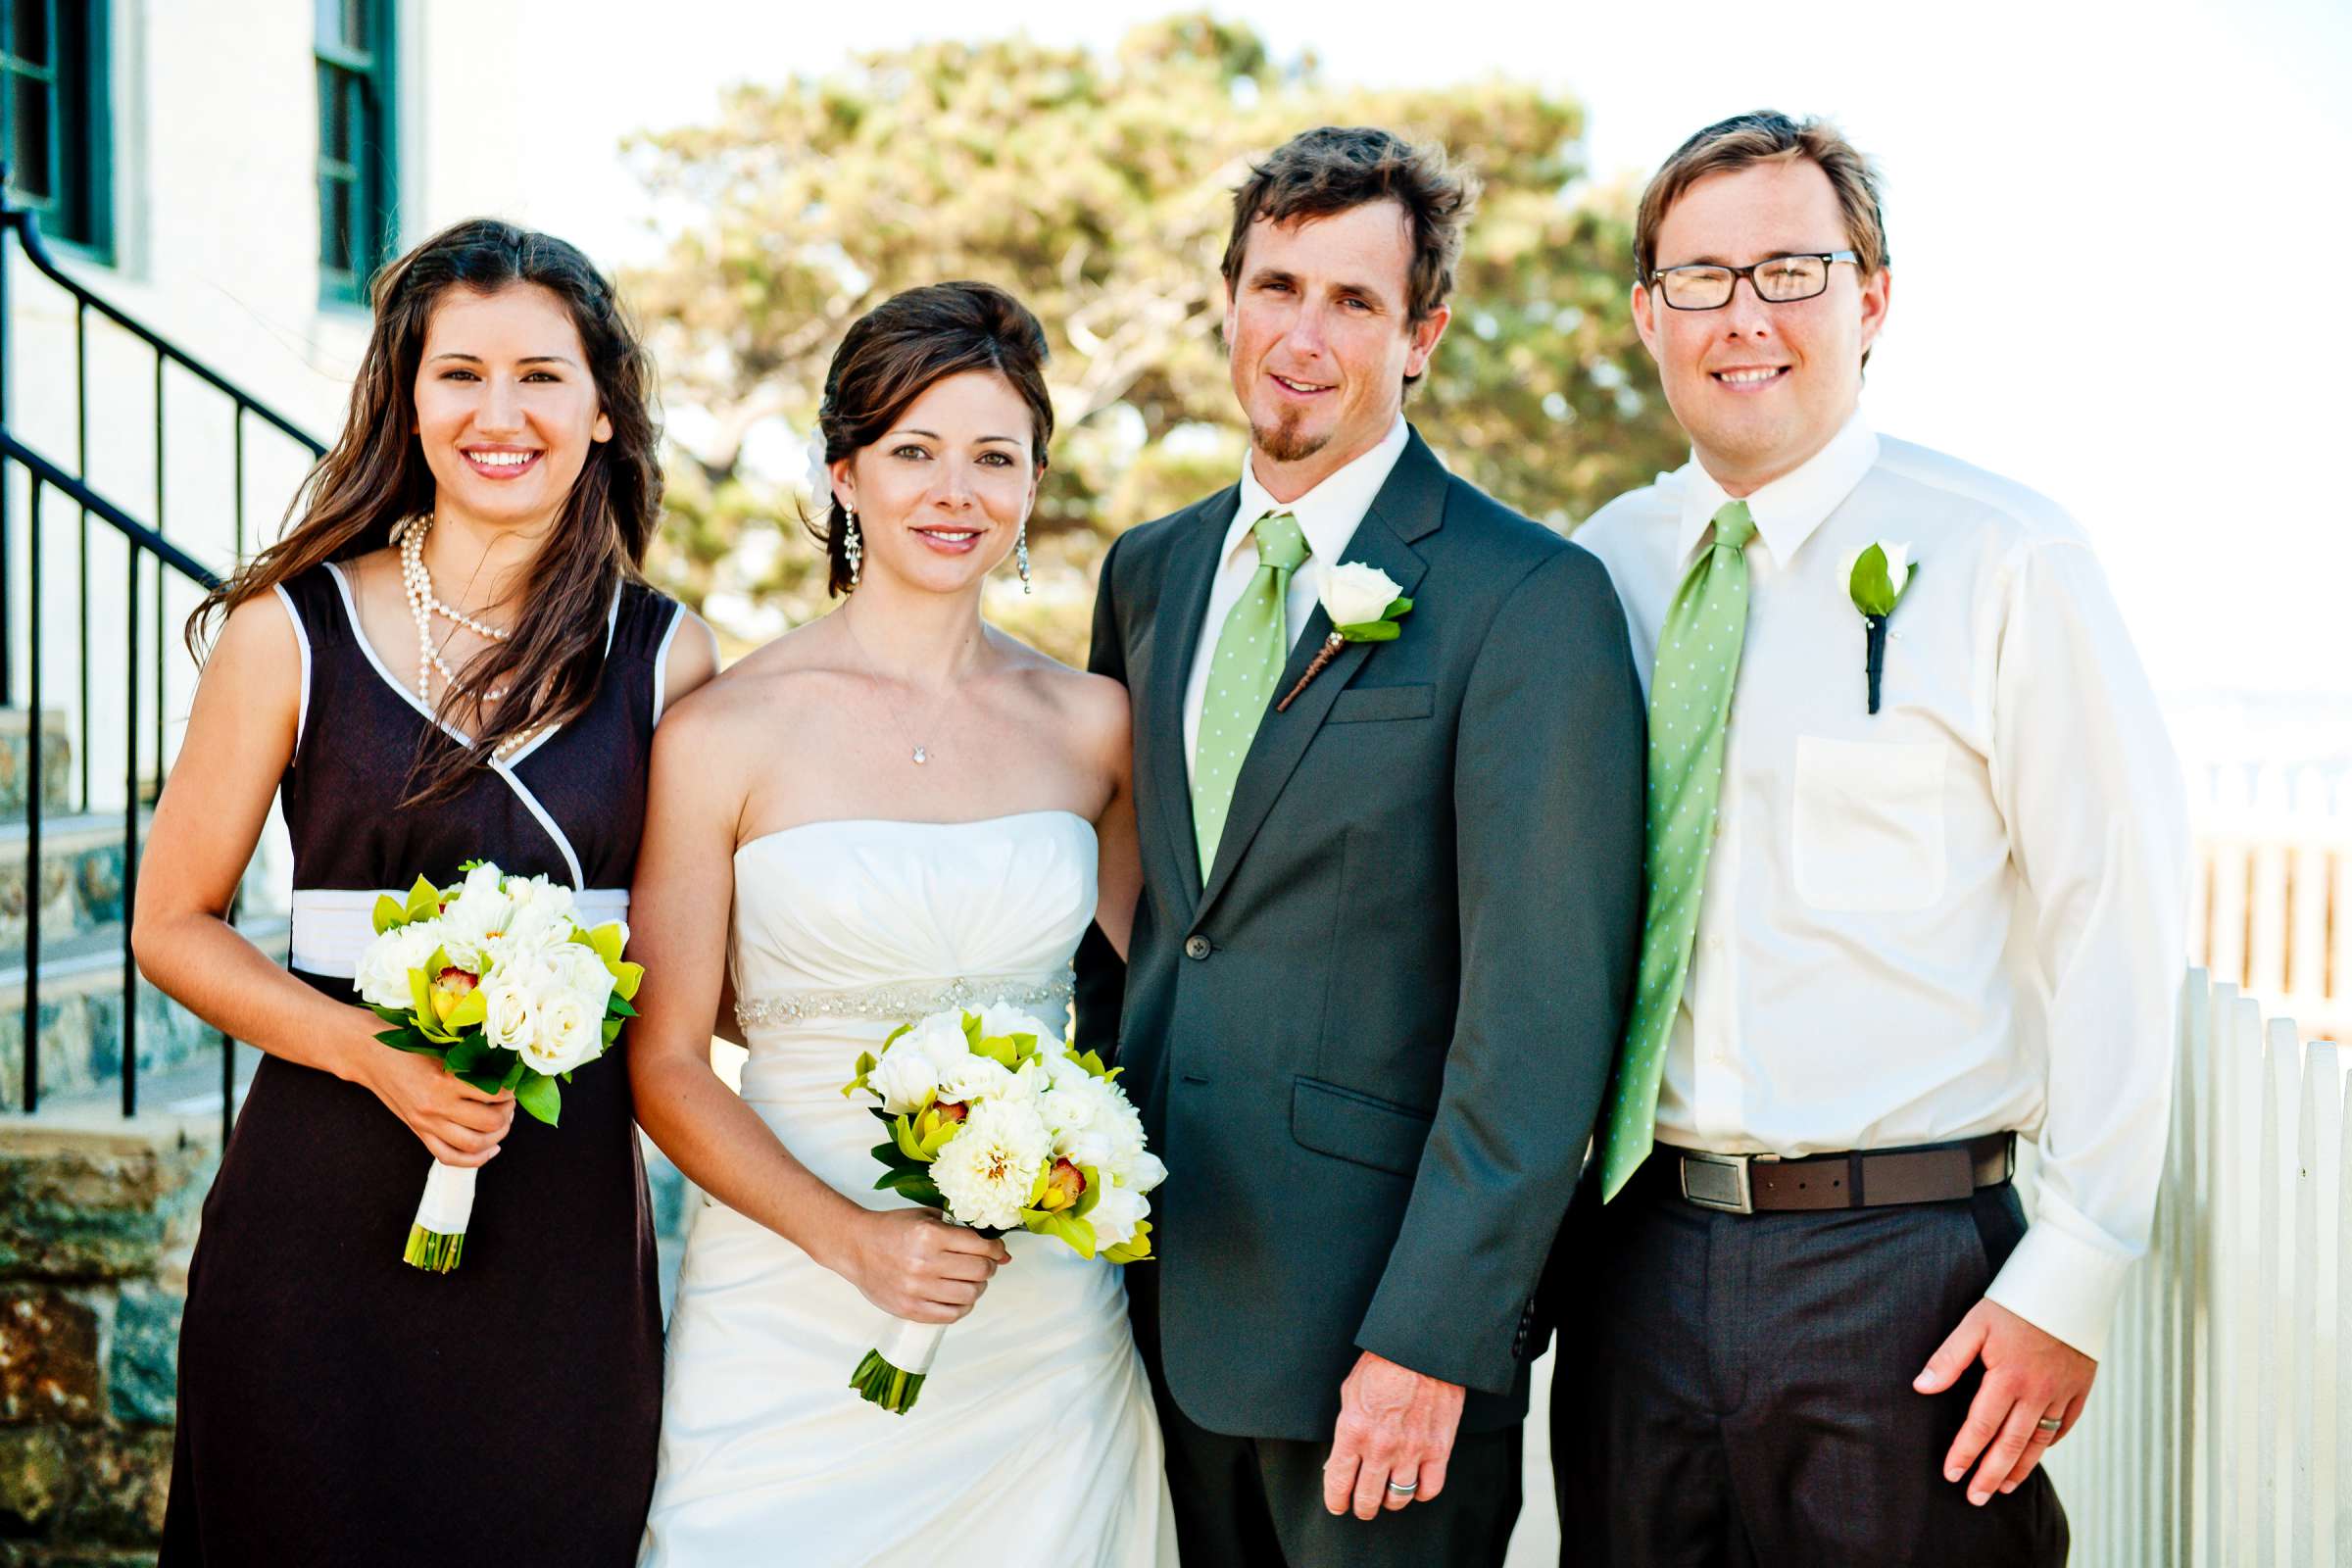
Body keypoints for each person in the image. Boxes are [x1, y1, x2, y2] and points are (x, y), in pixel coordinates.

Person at [1556, 110, 2190, 1565]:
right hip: (1639, 1257)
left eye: (1792, 269)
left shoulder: (2004, 556)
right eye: (1702, 280)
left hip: (1908, 1269)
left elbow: (2120, 906)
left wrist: (2073, 1274)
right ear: (1650, 316)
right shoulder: (1601, 572)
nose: (1746, 318)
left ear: (1874, 295)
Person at [1077, 124, 1646, 1565]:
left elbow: (1541, 1018)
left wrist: (1434, 1342)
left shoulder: (1530, 598)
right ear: (1228, 300)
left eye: (1355, 301)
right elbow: (1152, 928)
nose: (1303, 336)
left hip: (1375, 1353)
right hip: (1144, 1307)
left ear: (1423, 338)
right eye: (1277, 287)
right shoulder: (1146, 574)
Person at [135, 219, 717, 1565]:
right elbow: (170, 923)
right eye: (459, 373)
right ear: (407, 399)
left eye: (541, 376)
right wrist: (370, 1055)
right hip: (321, 1190)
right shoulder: (288, 629)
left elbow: (703, 966)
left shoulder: (670, 658)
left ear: (606, 415)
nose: (497, 414)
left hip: (559, 1205)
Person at [630, 280, 1171, 1566]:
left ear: (1035, 483)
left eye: (995, 457)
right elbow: (663, 1063)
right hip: (786, 1299)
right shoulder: (724, 730)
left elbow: (1176, 985)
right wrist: (855, 1241)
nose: (956, 492)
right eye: (914, 452)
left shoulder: (1095, 728)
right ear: (844, 474)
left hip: (1037, 1318)